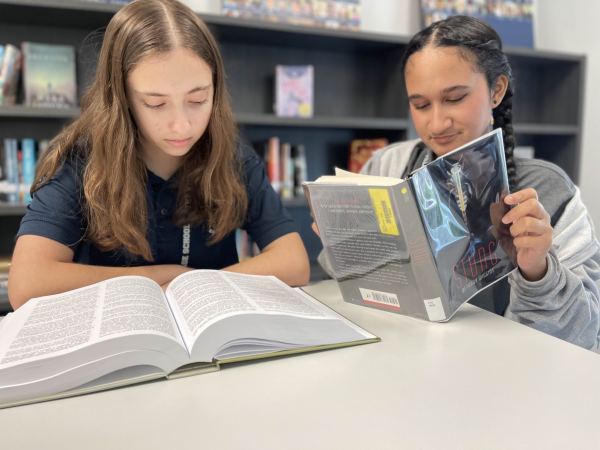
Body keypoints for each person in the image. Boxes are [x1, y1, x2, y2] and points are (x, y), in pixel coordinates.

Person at [315, 16, 600, 349]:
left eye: (454, 98)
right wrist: (343, 246)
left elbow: (584, 337)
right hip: (402, 358)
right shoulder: (388, 165)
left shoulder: (550, 191)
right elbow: (348, 290)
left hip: (503, 376)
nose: (436, 122)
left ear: (496, 90)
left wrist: (538, 271)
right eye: (420, 104)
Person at [8, 0, 310, 309]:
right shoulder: (79, 162)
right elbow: (27, 284)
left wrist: (195, 285)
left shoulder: (234, 157)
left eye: (198, 99)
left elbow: (294, 261)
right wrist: (167, 276)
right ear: (122, 96)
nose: (181, 126)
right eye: (156, 104)